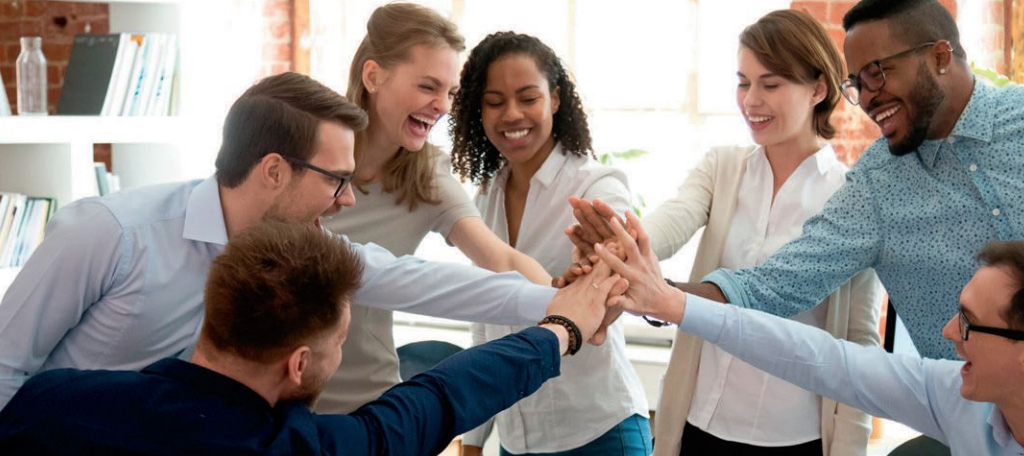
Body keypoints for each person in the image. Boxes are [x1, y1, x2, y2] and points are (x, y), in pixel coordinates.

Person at [567, 0, 1024, 442]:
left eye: (878, 72)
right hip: (985, 441)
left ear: (941, 56)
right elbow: (773, 285)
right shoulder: (876, 184)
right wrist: (657, 295)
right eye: (857, 81)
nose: (866, 96)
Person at [0, 71, 597, 412]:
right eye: (337, 180)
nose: (347, 200)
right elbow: (5, 370)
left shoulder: (296, 251)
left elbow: (425, 284)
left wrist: (559, 303)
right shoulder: (106, 234)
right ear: (274, 171)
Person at [0, 219, 626, 456]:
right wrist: (563, 329)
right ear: (299, 363)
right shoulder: (301, 449)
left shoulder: (49, 401)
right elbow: (437, 398)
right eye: (340, 341)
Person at [594, 213, 1024, 455]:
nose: (949, 333)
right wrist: (675, 304)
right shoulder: (958, 396)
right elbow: (818, 358)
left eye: (971, 325)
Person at [570, 10, 881, 456]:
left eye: (770, 84)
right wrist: (618, 248)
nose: (751, 100)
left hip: (794, 437)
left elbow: (860, 345)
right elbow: (671, 222)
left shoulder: (849, 198)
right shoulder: (723, 167)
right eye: (743, 82)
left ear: (818, 88)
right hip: (700, 424)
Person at [318, 2, 557, 414]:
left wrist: (563, 306)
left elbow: (500, 257)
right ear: (373, 76)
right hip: (279, 403)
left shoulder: (426, 174)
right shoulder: (308, 150)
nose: (442, 106)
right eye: (428, 87)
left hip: (367, 407)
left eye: (450, 92)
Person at [449, 31, 650, 456]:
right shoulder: (484, 196)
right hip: (518, 439)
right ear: (477, 110)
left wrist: (603, 267)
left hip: (599, 431)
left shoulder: (597, 185)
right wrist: (472, 439)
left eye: (528, 97)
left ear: (555, 99)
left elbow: (619, 272)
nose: (512, 114)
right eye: (495, 101)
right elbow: (484, 321)